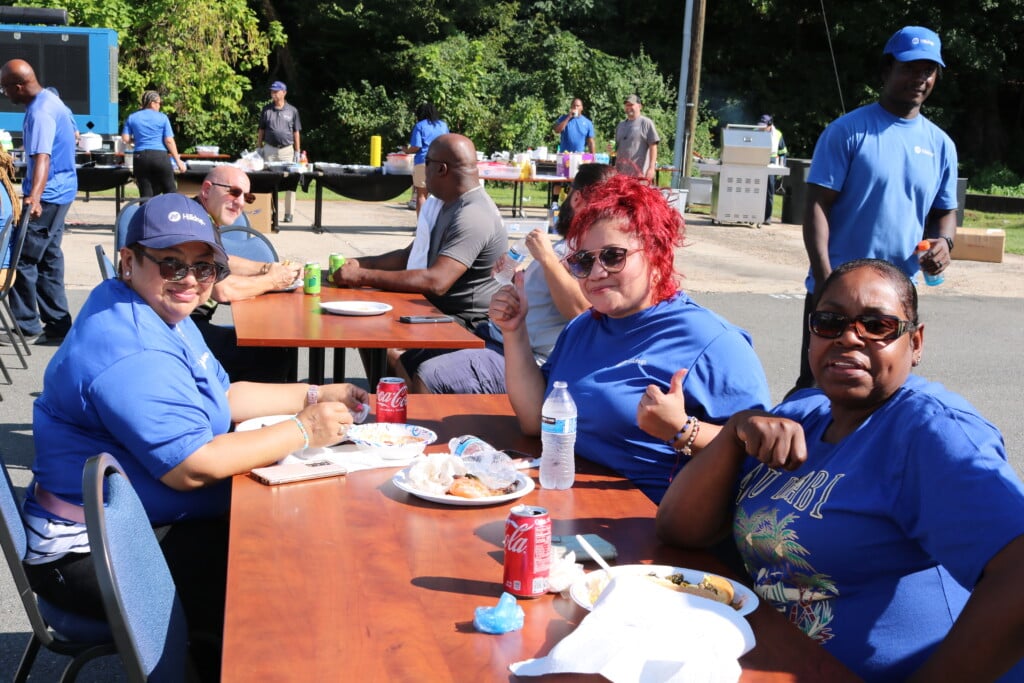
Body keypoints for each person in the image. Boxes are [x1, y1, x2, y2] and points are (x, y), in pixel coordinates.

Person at [22, 193, 368, 678]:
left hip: (140, 520)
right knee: (277, 592)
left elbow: (225, 396)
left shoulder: (156, 308)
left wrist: (314, 393)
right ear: (128, 260)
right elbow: (194, 466)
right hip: (88, 550)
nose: (189, 281)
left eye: (204, 268)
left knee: (288, 541)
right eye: (171, 264)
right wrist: (303, 429)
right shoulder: (133, 348)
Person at [656, 258, 1024, 682]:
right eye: (829, 322)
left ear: (916, 342)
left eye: (877, 325)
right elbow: (679, 529)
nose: (849, 337)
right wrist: (735, 430)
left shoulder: (929, 432)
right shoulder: (804, 413)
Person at [495, 175, 770, 503]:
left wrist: (683, 430)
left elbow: (760, 456)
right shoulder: (584, 327)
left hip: (649, 527)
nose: (596, 273)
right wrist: (514, 332)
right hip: (568, 501)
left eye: (613, 256)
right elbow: (534, 421)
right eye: (583, 261)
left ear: (656, 255)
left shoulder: (715, 344)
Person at [792, 26, 958, 392]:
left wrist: (945, 242)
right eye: (910, 68)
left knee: (884, 389)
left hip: (896, 295)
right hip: (840, 291)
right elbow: (816, 206)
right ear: (887, 70)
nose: (920, 78)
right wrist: (825, 282)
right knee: (819, 387)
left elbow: (945, 211)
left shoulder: (941, 145)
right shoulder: (848, 132)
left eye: (929, 70)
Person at [411, 163, 616, 394]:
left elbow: (582, 313)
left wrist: (547, 258)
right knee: (410, 356)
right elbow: (543, 298)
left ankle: (420, 429)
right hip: (496, 337)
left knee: (429, 376)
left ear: (577, 198)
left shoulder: (589, 252)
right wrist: (511, 277)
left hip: (525, 360)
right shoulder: (569, 245)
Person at [332, 133, 506, 382]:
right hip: (437, 311)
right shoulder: (447, 204)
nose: (422, 172)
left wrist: (361, 277)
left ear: (441, 169)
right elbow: (410, 256)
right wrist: (362, 263)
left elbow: (437, 281)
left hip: (467, 325)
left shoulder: (473, 214)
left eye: (426, 165)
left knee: (388, 349)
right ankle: (378, 403)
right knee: (369, 332)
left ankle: (403, 413)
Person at [193, 165, 302, 382]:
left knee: (272, 348)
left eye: (247, 197)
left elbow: (224, 260)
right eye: (233, 192)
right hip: (179, 330)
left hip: (181, 323)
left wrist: (267, 268)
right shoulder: (197, 226)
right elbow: (223, 290)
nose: (241, 202)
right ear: (207, 190)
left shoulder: (199, 216)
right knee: (272, 355)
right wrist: (273, 280)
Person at [0, 59, 77, 346]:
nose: (4, 94)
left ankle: (26, 325)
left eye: (5, 88)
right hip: (63, 191)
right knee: (48, 258)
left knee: (21, 258)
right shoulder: (54, 102)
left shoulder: (41, 113)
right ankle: (58, 324)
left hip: (47, 197)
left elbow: (42, 157)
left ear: (19, 86)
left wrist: (34, 196)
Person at [121, 90, 186, 197]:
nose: (159, 106)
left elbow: (125, 139)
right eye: (159, 103)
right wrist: (178, 161)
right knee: (170, 190)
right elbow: (169, 140)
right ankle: (171, 212)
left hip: (140, 157)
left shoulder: (132, 117)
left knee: (146, 194)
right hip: (159, 156)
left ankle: (146, 213)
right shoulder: (162, 117)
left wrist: (136, 141)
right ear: (152, 103)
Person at [257, 81, 301, 223]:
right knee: (268, 181)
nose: (273, 94)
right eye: (272, 92)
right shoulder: (267, 110)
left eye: (276, 91)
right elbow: (261, 130)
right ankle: (270, 211)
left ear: (284, 92)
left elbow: (296, 132)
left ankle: (289, 214)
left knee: (290, 181)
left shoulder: (292, 110)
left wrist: (297, 151)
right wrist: (259, 148)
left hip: (287, 151)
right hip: (269, 149)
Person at [405, 102, 449, 216]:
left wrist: (406, 150)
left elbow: (416, 147)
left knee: (421, 195)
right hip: (441, 163)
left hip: (423, 162)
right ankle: (437, 227)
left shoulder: (420, 126)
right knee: (439, 197)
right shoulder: (443, 125)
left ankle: (421, 227)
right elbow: (447, 143)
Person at [613, 94, 659, 182]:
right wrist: (611, 149)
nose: (628, 107)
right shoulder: (620, 125)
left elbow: (653, 146)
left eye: (631, 105)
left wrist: (651, 168)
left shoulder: (646, 123)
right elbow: (617, 148)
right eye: (627, 105)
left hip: (639, 176)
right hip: (621, 176)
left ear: (640, 106)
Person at [758, 114, 787, 225]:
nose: (762, 128)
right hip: (757, 161)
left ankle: (767, 217)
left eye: (764, 126)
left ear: (770, 125)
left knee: (769, 191)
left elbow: (783, 152)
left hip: (772, 162)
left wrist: (781, 167)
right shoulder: (756, 131)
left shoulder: (778, 134)